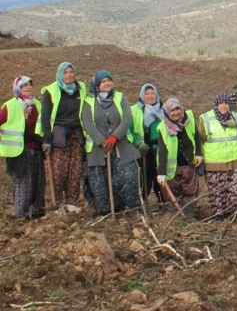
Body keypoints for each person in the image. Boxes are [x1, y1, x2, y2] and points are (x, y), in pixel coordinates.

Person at [81, 70, 140, 215]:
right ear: (97, 85)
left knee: (129, 175)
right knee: (99, 181)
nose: (107, 84)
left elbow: (127, 118)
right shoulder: (89, 102)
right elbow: (87, 123)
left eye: (109, 80)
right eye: (103, 81)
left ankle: (129, 206)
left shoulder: (120, 98)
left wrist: (115, 136)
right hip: (98, 148)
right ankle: (106, 211)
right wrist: (102, 141)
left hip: (121, 145)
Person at [37, 62, 87, 207]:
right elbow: (45, 116)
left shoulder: (81, 88)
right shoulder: (51, 90)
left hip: (77, 134)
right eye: (65, 72)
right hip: (58, 133)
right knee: (59, 172)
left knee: (75, 171)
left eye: (71, 71)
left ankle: (72, 202)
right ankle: (57, 203)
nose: (69, 75)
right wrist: (47, 138)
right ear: (60, 74)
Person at [0, 76, 45, 219]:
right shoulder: (10, 105)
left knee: (38, 181)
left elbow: (43, 123)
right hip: (19, 150)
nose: (28, 87)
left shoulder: (37, 104)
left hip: (37, 148)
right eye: (24, 85)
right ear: (17, 88)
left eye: (30, 84)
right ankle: (21, 214)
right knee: (23, 182)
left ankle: (37, 211)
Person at [198, 93, 237, 219]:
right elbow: (201, 140)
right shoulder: (206, 118)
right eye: (221, 103)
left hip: (234, 161)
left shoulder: (235, 117)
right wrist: (200, 159)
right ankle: (218, 216)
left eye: (226, 103)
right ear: (216, 104)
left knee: (234, 191)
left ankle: (230, 214)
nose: (224, 106)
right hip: (214, 163)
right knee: (216, 192)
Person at [156, 98, 203, 208]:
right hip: (172, 168)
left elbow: (196, 136)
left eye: (178, 109)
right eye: (172, 110)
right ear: (167, 112)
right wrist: (161, 172)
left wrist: (199, 154)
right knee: (174, 192)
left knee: (190, 191)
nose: (176, 113)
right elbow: (162, 151)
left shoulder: (189, 118)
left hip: (188, 164)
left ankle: (189, 211)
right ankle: (176, 214)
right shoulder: (163, 128)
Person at [130, 84, 164, 202]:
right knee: (144, 177)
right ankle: (142, 201)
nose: (150, 96)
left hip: (160, 150)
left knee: (160, 176)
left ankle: (163, 201)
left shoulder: (164, 110)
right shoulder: (134, 110)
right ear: (142, 95)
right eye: (147, 93)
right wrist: (137, 143)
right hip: (143, 151)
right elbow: (128, 130)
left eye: (152, 93)